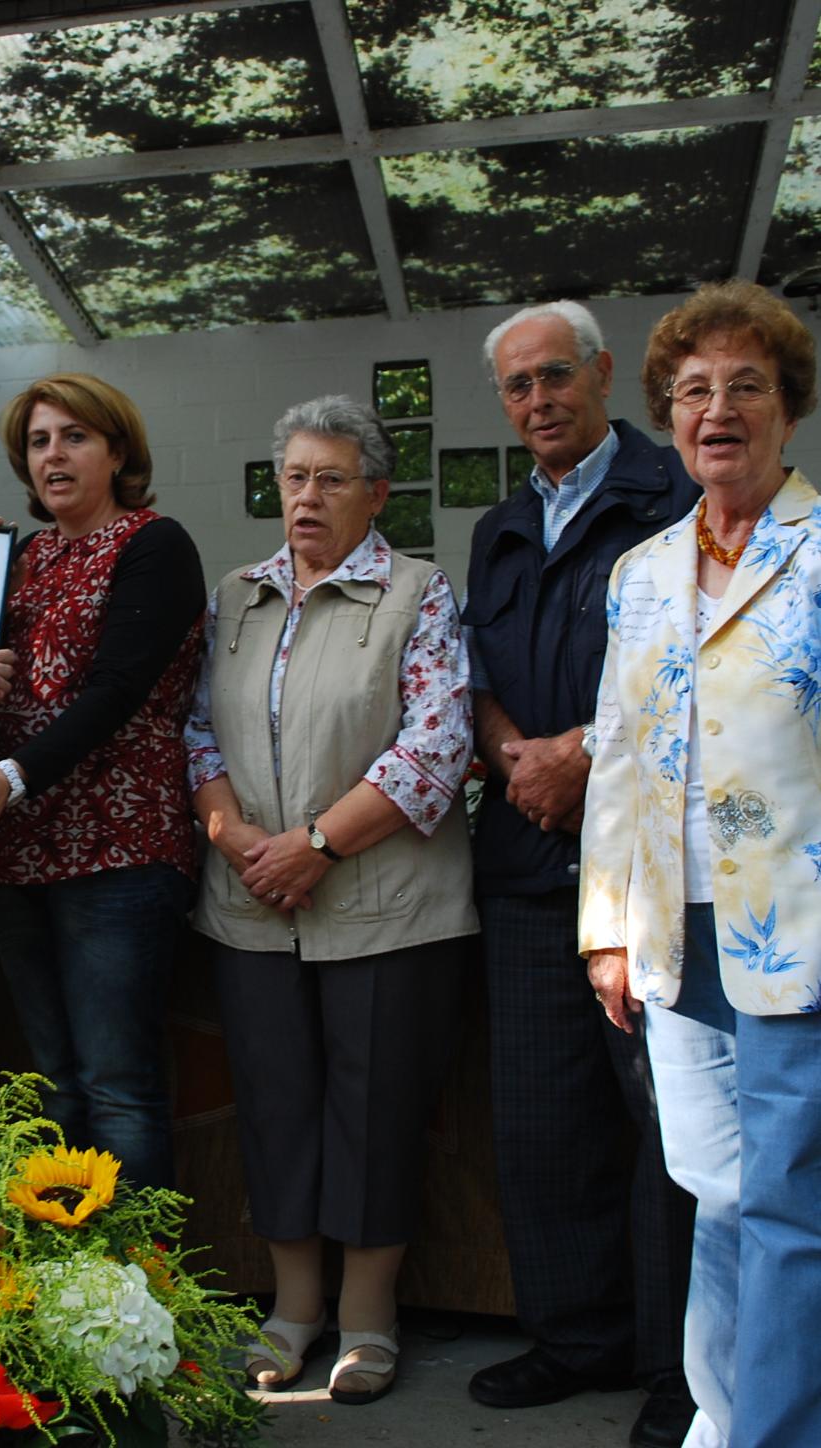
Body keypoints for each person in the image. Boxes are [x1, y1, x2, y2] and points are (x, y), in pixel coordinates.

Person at [184, 394, 475, 1404]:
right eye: (293, 476)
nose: (305, 496)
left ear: (375, 491)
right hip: (251, 904)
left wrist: (312, 844)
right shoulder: (235, 594)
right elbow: (195, 733)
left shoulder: (418, 592)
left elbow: (436, 742)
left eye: (330, 478)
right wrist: (233, 837)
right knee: (274, 1109)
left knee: (373, 1109)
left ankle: (366, 1318)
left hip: (387, 907)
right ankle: (292, 1308)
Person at [581, 281, 821, 1448]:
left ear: (786, 411)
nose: (714, 409)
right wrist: (606, 926)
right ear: (668, 417)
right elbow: (617, 756)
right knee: (716, 1192)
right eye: (691, 390)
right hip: (672, 934)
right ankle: (723, 1418)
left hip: (797, 930)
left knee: (788, 1205)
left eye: (743, 386)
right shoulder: (638, 572)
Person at [461, 301, 700, 1447]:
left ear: (602, 373)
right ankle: (575, 1335)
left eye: (555, 376)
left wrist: (580, 755)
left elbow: (702, 671)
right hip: (521, 859)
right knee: (542, 1119)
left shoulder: (677, 498)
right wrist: (516, 752)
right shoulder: (500, 524)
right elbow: (478, 671)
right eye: (515, 386)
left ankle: (678, 1362)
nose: (537, 401)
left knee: (665, 1122)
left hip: (643, 863)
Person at [0, 373, 205, 1192]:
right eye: (38, 441)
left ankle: (139, 1296)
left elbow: (116, 691)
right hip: (21, 850)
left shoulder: (154, 545)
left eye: (75, 437)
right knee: (51, 1087)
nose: (54, 455)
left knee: (117, 1086)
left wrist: (15, 774)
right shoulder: (20, 558)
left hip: (119, 850)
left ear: (117, 451)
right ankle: (68, 1294)